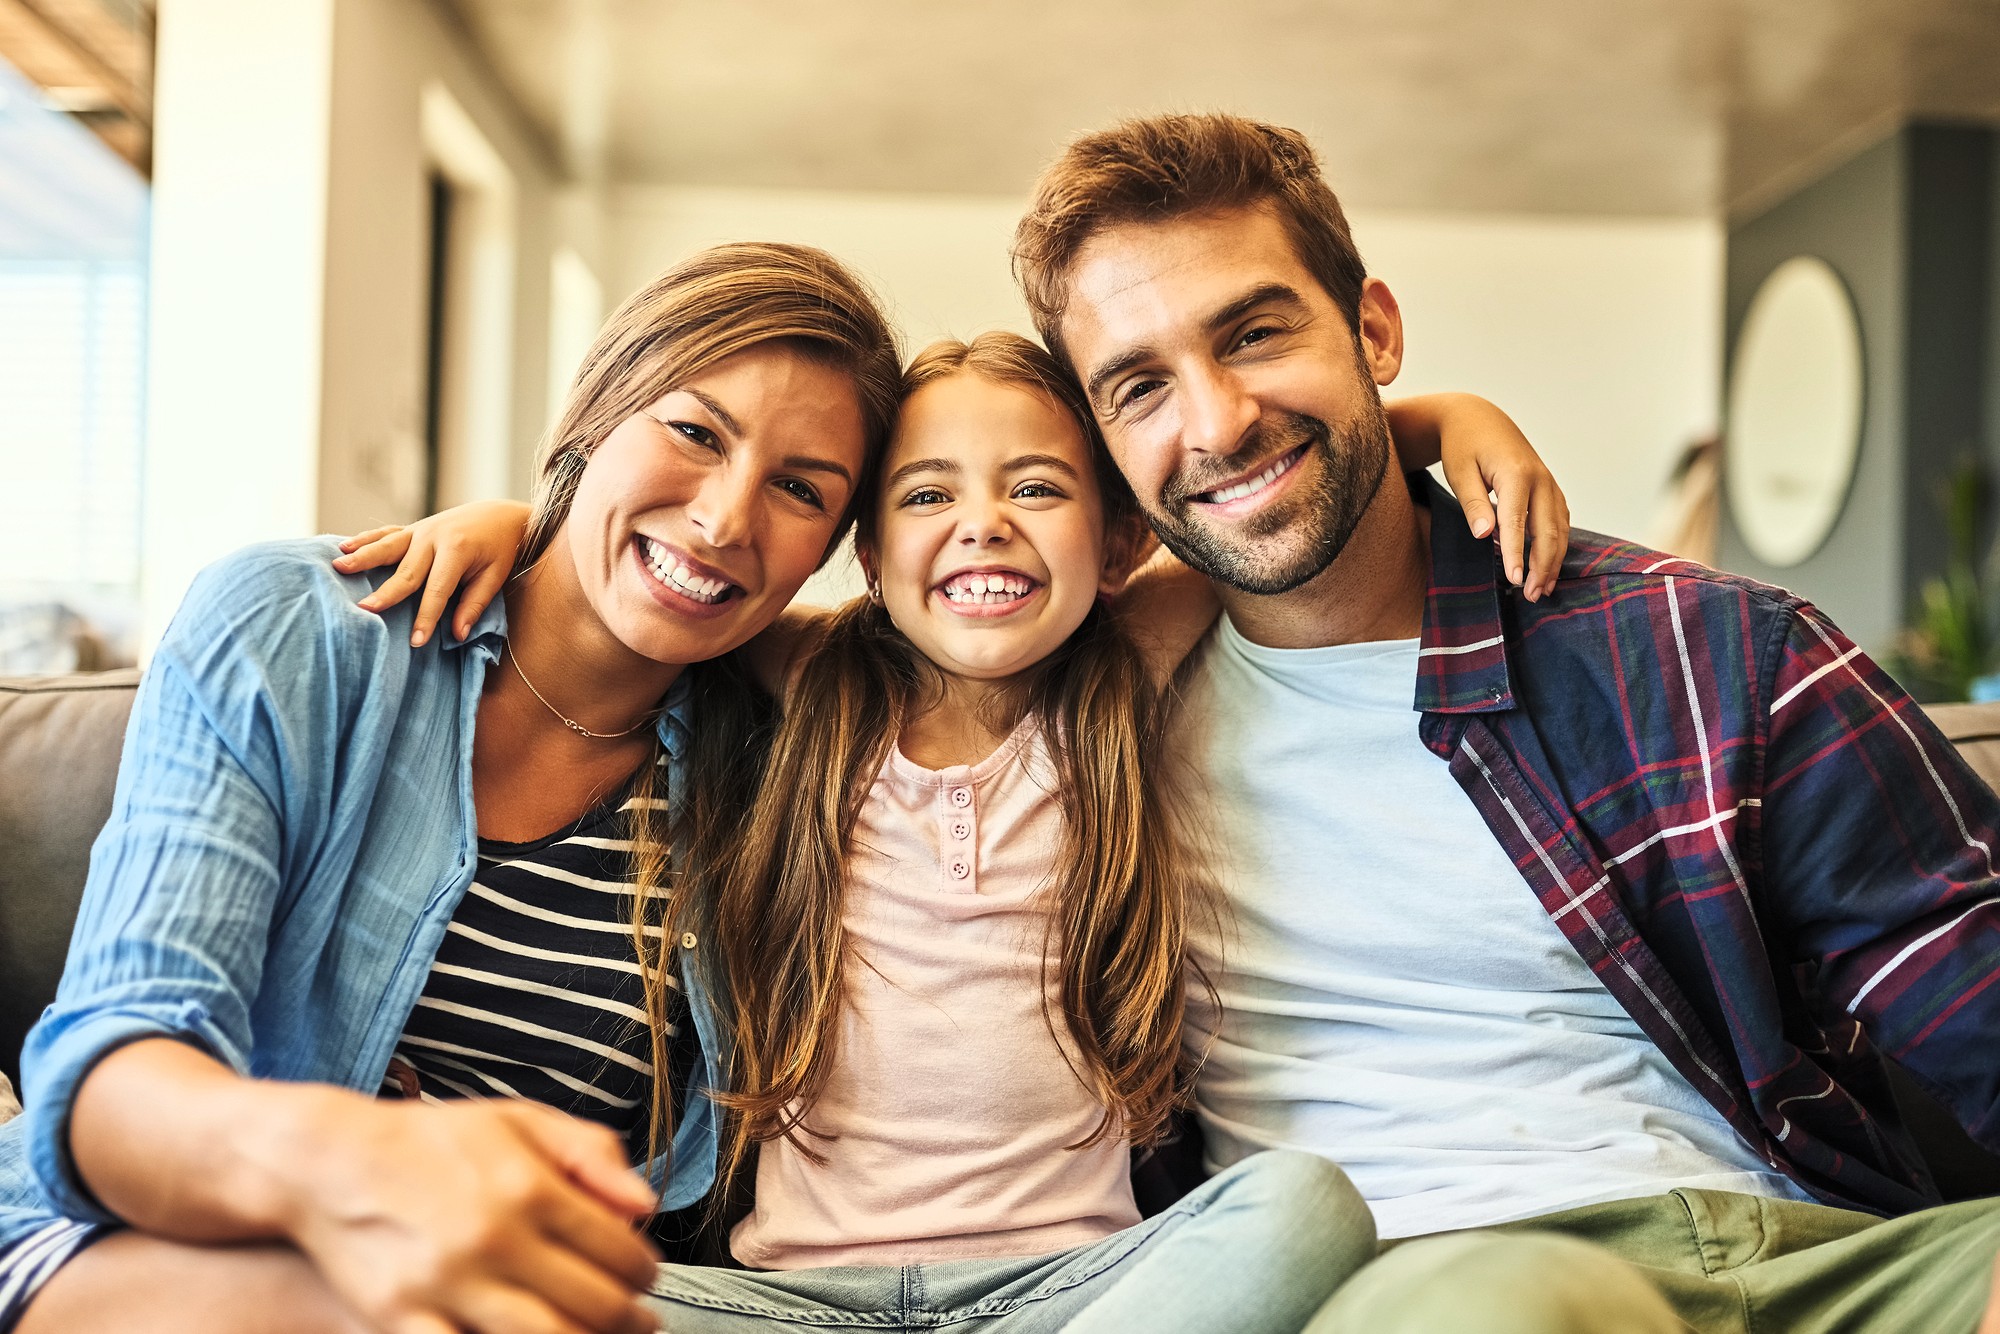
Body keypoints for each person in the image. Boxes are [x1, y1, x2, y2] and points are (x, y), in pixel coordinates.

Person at [346, 334, 1569, 1330]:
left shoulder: (1122, 665)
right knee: (537, 1290)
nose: (981, 522)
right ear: (868, 554)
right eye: (928, 494)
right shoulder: (810, 672)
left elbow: (1238, 492)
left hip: (1066, 1288)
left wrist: (1434, 417)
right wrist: (510, 522)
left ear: (1119, 542)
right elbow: (654, 576)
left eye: (1035, 487)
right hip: (787, 1299)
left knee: (1304, 1205)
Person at [1005, 110, 2000, 1332]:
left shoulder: (1704, 650)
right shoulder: (1080, 714)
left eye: (1255, 332)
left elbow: (1966, 970)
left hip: (1816, 1259)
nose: (1213, 422)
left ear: (1372, 331)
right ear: (1102, 442)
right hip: (1447, 1275)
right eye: (1139, 386)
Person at [0, 241, 905, 1334]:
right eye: (692, 430)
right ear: (591, 412)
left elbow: (1074, 617)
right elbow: (113, 1076)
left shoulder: (777, 757)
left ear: (829, 553)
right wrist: (367, 1165)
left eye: (799, 489)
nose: (723, 518)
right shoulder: (300, 627)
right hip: (152, 1250)